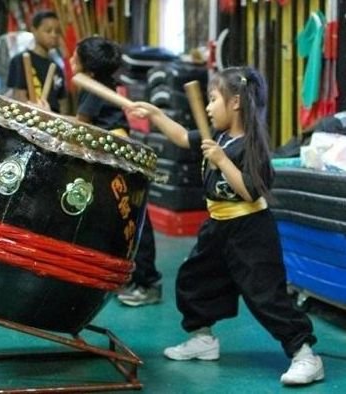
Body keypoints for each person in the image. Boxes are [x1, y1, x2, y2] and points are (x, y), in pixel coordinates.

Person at [127, 66, 324, 385]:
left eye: (213, 99)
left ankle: (305, 355)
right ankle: (203, 338)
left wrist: (221, 160)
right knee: (194, 280)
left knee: (265, 295)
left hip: (251, 230)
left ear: (235, 103)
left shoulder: (251, 145)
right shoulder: (216, 137)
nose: (207, 107)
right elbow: (179, 135)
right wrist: (154, 113)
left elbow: (251, 190)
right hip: (217, 225)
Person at [70, 36, 162, 306]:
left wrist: (47, 114)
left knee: (133, 219)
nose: (70, 60)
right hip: (112, 156)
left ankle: (148, 283)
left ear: (89, 69)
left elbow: (80, 126)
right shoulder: (99, 85)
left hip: (119, 158)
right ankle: (126, 277)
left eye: (75, 57)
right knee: (117, 219)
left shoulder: (94, 89)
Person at [6, 10, 67, 113]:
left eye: (57, 31)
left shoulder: (58, 68)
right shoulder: (21, 60)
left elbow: (63, 105)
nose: (53, 35)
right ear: (34, 30)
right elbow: (19, 98)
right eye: (48, 31)